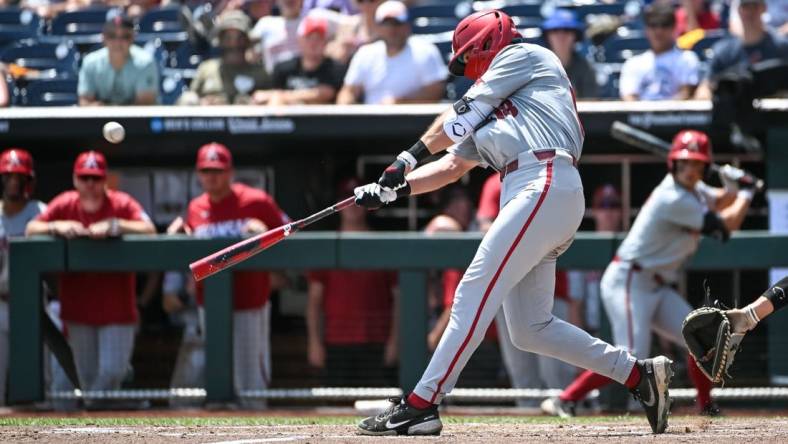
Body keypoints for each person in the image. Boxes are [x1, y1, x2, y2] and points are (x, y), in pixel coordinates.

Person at [353, 9, 673, 436]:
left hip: (542, 180)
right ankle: (638, 376)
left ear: (488, 42)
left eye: (470, 59)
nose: (469, 70)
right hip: (532, 193)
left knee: (472, 291)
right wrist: (394, 189)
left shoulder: (525, 55)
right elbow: (451, 166)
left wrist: (404, 158)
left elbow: (458, 116)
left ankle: (421, 404)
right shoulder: (500, 108)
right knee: (530, 328)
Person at [542, 131, 755, 419]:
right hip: (630, 281)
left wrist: (731, 186)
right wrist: (746, 192)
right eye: (685, 163)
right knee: (629, 353)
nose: (690, 170)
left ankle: (706, 407)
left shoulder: (694, 190)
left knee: (702, 339)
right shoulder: (673, 197)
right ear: (674, 164)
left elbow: (719, 200)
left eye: (696, 164)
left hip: (656, 285)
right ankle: (565, 399)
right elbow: (725, 226)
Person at [26, 151, 156, 396]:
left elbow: (149, 229)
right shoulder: (66, 203)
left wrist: (116, 225)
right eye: (85, 178)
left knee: (113, 371)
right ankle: (95, 427)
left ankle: (91, 409)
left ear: (104, 179)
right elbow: (31, 228)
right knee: (85, 377)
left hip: (117, 310)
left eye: (95, 178)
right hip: (79, 310)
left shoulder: (120, 203)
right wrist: (57, 226)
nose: (90, 184)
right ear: (75, 179)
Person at [177, 142, 289, 408]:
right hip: (209, 304)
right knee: (215, 368)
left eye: (217, 170)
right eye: (206, 170)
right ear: (198, 173)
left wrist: (264, 232)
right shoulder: (195, 208)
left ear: (230, 172)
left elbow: (290, 233)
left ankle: (255, 420)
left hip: (249, 301)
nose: (211, 176)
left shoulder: (256, 201)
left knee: (250, 376)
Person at [476, 172, 580, 406]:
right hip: (510, 286)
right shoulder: (497, 182)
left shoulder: (555, 176)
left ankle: (565, 421)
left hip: (552, 287)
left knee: (556, 373)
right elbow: (485, 227)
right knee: (523, 375)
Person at [305, 178, 399, 386]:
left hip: (376, 340)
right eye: (347, 200)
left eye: (358, 200)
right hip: (335, 342)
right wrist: (314, 342)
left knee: (375, 406)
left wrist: (394, 342)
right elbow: (314, 302)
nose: (353, 207)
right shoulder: (326, 246)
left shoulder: (383, 246)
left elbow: (398, 301)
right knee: (335, 408)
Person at [0, 149, 46, 406]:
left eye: (18, 177)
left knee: (42, 383)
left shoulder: (39, 211)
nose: (13, 183)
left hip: (34, 305)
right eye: (8, 177)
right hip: (1, 303)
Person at [336, 0, 446, 104]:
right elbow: (348, 91)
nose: (391, 29)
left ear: (407, 26)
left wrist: (401, 103)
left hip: (411, 121)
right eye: (386, 24)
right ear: (378, 27)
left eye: (396, 23)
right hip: (369, 120)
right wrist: (346, 105)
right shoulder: (365, 53)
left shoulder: (425, 50)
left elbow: (436, 91)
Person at [695, 0, 788, 100]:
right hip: (736, 111)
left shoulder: (782, 47)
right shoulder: (725, 52)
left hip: (776, 112)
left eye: (754, 6)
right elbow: (705, 86)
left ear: (764, 8)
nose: (750, 12)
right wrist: (705, 95)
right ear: (739, 10)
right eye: (745, 7)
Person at [179, 11, 271, 106]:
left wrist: (257, 100)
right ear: (220, 41)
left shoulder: (261, 73)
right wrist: (203, 103)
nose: (234, 44)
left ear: (248, 41)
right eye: (228, 38)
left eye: (240, 38)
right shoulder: (206, 69)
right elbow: (190, 98)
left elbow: (274, 100)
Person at [619, 3, 700, 101]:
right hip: (641, 115)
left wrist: (660, 113)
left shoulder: (687, 59)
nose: (659, 31)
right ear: (646, 29)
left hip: (675, 115)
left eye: (665, 24)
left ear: (674, 27)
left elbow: (686, 94)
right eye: (653, 25)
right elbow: (629, 98)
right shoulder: (633, 64)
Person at [78, 15, 159, 106]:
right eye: (112, 36)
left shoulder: (145, 62)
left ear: (133, 37)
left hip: (136, 119)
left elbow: (145, 105)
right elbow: (84, 102)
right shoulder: (90, 62)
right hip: (100, 118)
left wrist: (109, 111)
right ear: (103, 38)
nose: (118, 42)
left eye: (125, 36)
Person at [262, 15, 344, 105]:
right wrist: (277, 97)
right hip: (287, 115)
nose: (313, 43)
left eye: (319, 38)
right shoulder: (283, 68)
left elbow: (325, 94)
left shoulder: (335, 68)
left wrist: (283, 96)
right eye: (309, 38)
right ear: (300, 40)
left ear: (326, 41)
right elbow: (275, 95)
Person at [541, 9, 598, 99]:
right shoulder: (538, 66)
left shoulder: (585, 68)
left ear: (575, 36)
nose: (561, 36)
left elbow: (591, 103)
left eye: (567, 30)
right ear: (547, 36)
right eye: (555, 30)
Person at [251, 0, 305, 74]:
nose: (289, 1)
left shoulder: (311, 21)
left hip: (303, 79)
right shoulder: (265, 23)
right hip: (273, 80)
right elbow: (250, 51)